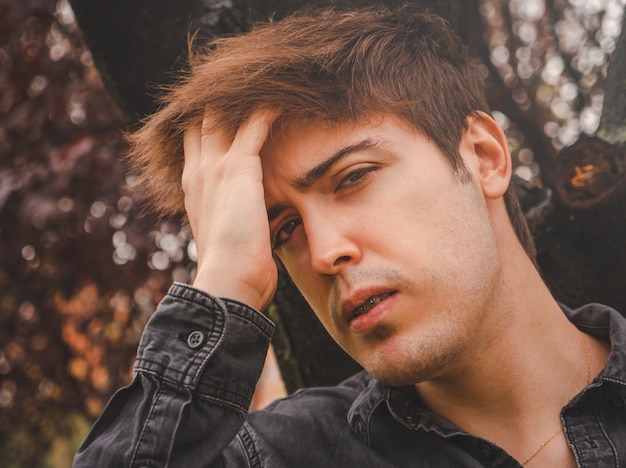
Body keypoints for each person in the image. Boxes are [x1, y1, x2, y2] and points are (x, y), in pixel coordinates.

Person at [74, 6, 626, 467]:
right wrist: (224, 284)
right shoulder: (280, 456)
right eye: (283, 228)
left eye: (354, 178)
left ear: (482, 156)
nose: (323, 253)